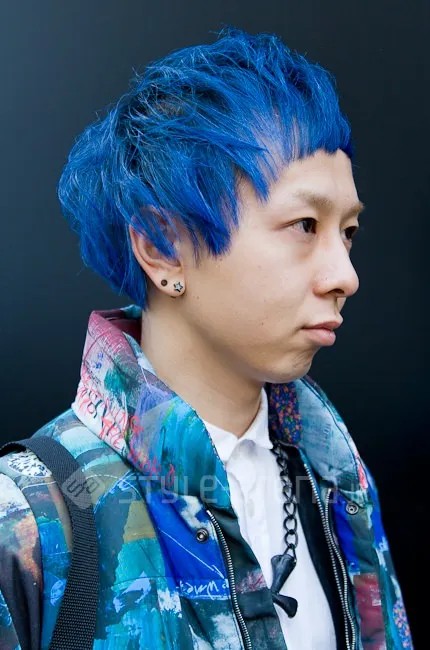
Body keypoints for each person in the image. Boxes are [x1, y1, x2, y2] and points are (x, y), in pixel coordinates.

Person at [0, 26, 412, 650]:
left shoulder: (336, 483)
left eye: (347, 231)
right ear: (162, 247)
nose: (345, 276)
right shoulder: (29, 518)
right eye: (305, 224)